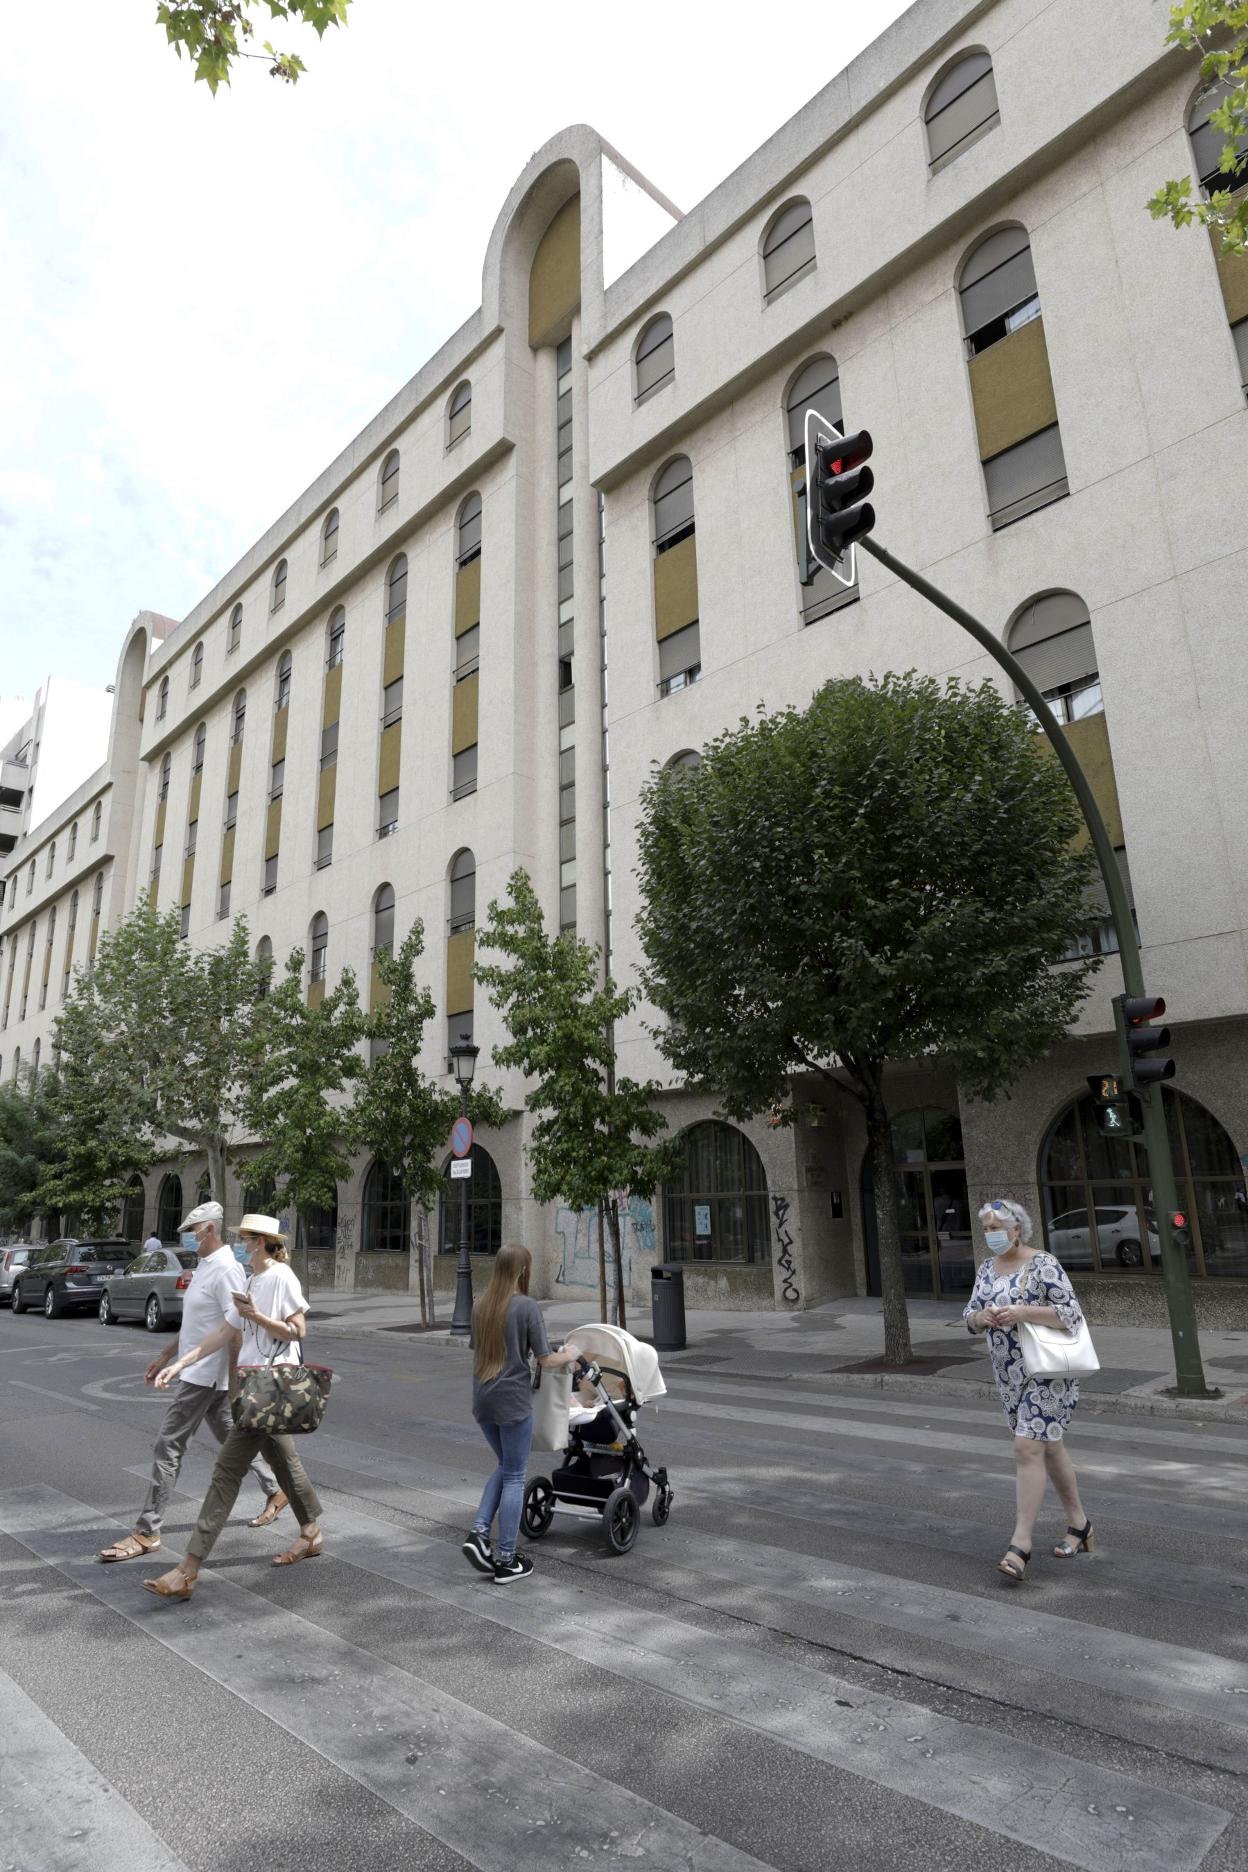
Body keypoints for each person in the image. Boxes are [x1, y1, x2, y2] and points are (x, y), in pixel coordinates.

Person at [143, 1214, 323, 1601]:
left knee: (225, 1473)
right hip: (254, 1387)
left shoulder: (281, 1277)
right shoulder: (250, 1280)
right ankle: (311, 1531)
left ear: (260, 1242)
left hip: (271, 1388)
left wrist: (257, 1316)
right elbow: (224, 1332)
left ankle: (188, 1569)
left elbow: (298, 1329)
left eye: (244, 1239)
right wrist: (179, 1362)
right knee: (284, 1462)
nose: (240, 1244)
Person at [98, 1201, 284, 1563]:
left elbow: (234, 1331)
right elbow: (195, 1326)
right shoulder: (205, 1266)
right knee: (232, 1440)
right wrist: (165, 1356)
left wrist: (234, 1382)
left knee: (167, 1446)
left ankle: (147, 1530)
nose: (186, 1238)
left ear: (209, 1229)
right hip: (201, 1373)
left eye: (191, 1232)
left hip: (204, 1377)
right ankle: (276, 1489)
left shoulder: (227, 1269)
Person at [964, 1198, 1093, 1582]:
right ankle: (1080, 1525)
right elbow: (968, 1316)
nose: (991, 1235)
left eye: (996, 1228)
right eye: (986, 1229)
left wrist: (1023, 1312)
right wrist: (980, 1317)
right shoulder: (987, 1268)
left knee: (1026, 1447)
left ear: (1017, 1229)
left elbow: (1071, 1314)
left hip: (1048, 1372)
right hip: (1009, 1376)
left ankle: (1020, 1546)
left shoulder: (1043, 1264)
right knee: (1048, 1447)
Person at [461, 1241, 583, 1583]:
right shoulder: (526, 1306)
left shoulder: (480, 1305)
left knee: (505, 1466)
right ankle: (506, 1559)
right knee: (515, 1475)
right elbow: (546, 1359)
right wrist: (571, 1354)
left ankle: (479, 1534)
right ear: (523, 1270)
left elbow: (477, 1348)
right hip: (513, 1401)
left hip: (483, 1398)